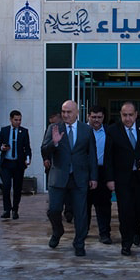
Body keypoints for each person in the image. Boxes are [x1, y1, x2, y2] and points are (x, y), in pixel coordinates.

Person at [41, 100, 98, 256]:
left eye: (69, 112)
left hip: (79, 178)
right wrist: (54, 143)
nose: (65, 115)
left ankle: (79, 243)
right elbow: (44, 150)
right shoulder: (54, 128)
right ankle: (57, 231)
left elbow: (92, 155)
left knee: (80, 213)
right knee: (54, 210)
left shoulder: (86, 130)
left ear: (77, 113)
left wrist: (93, 177)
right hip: (58, 177)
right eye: (63, 112)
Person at [104, 101, 140, 256]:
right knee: (125, 211)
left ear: (136, 114)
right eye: (124, 115)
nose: (127, 118)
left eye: (130, 115)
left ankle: (135, 229)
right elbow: (108, 156)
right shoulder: (113, 130)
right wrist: (110, 179)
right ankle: (126, 243)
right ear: (120, 115)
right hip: (123, 179)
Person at [0, 110, 31, 220]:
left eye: (19, 120)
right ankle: (7, 209)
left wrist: (28, 158)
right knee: (6, 186)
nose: (18, 122)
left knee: (17, 187)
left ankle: (15, 209)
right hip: (6, 163)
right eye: (16, 120)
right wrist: (2, 147)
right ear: (11, 119)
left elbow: (27, 147)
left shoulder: (24, 131)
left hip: (18, 164)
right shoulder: (5, 130)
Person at [86, 106, 113, 243]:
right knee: (84, 204)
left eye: (99, 117)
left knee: (103, 205)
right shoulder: (82, 131)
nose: (96, 120)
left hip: (103, 172)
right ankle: (83, 231)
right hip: (85, 172)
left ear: (103, 117)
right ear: (88, 116)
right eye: (93, 117)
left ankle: (104, 233)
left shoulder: (110, 132)